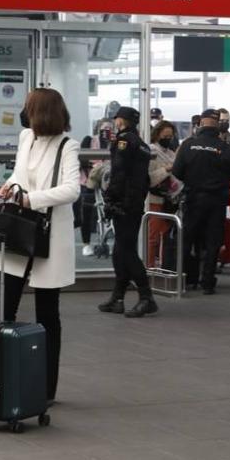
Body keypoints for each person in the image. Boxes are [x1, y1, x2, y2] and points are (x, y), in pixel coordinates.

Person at [0, 88, 81, 400]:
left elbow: (72, 189)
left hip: (48, 236)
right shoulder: (25, 137)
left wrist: (32, 199)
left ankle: (46, 387)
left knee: (48, 313)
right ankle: (0, 375)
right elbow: (20, 173)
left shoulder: (67, 146)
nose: (24, 111)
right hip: (18, 231)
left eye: (28, 106)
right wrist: (11, 187)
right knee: (3, 307)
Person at [172, 109, 230, 295]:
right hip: (216, 201)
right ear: (218, 124)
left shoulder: (188, 145)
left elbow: (177, 172)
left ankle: (185, 279)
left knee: (187, 240)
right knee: (212, 242)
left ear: (200, 124)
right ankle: (208, 282)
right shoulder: (225, 147)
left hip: (193, 199)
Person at [97, 106, 159, 318]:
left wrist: (111, 198)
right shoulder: (141, 144)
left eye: (118, 119)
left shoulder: (123, 141)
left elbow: (119, 172)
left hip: (123, 202)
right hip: (135, 202)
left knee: (127, 250)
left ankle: (146, 297)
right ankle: (118, 297)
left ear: (121, 122)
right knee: (121, 250)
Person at [147, 121, 184, 268]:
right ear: (157, 135)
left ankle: (164, 266)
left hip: (170, 199)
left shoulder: (171, 153)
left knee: (165, 236)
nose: (168, 139)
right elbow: (149, 179)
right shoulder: (151, 152)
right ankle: (149, 266)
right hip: (155, 198)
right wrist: (167, 170)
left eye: (170, 136)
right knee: (153, 237)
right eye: (165, 136)